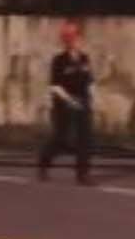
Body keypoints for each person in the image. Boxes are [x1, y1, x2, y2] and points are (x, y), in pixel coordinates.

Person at [38, 21, 95, 185]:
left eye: (76, 35)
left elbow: (89, 80)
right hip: (64, 104)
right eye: (70, 36)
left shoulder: (84, 58)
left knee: (85, 138)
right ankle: (44, 162)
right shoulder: (59, 60)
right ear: (66, 40)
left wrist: (91, 98)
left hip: (82, 101)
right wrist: (70, 101)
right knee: (61, 139)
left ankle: (82, 174)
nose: (74, 39)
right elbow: (55, 86)